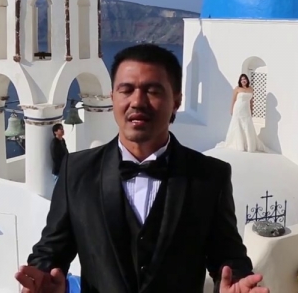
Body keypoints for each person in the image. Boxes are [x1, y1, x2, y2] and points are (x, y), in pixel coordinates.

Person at [15, 44, 268, 293]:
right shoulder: (77, 172)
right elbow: (51, 251)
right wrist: (42, 279)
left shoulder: (210, 176)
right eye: (126, 90)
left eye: (152, 91)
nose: (137, 101)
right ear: (112, 98)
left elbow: (228, 256)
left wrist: (235, 283)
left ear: (176, 101)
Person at [218, 74, 271, 153]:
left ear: (247, 80)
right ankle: (240, 145)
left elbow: (251, 101)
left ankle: (249, 145)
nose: (243, 80)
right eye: (242, 79)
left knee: (247, 125)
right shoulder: (237, 89)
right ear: (240, 81)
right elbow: (233, 100)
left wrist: (251, 110)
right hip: (238, 109)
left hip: (246, 110)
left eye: (245, 79)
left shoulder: (251, 89)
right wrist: (231, 109)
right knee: (238, 125)